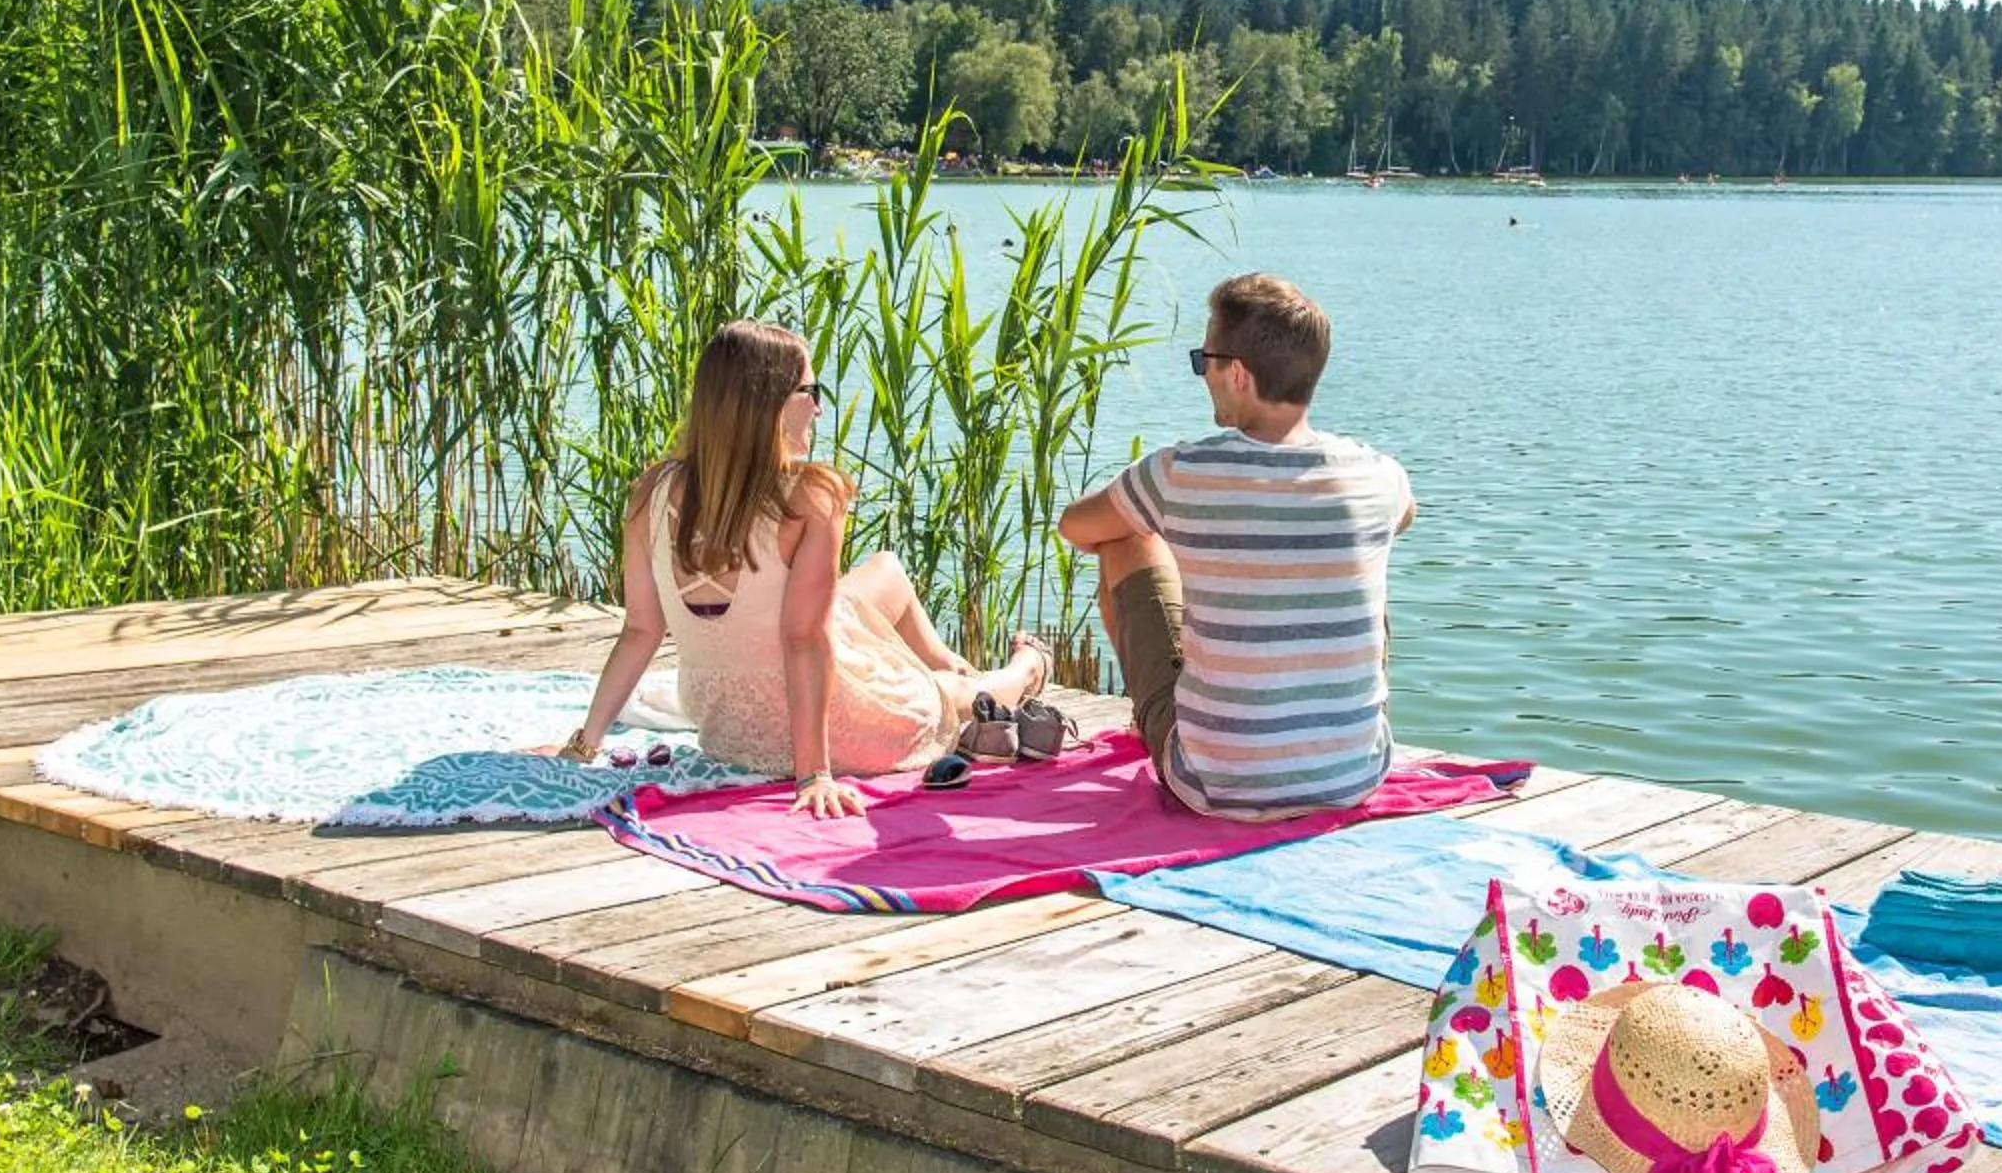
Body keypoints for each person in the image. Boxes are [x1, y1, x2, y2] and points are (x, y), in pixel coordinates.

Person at [553, 321, 1048, 817]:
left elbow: (640, 630)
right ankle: (1026, 667)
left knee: (886, 568)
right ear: (767, 402)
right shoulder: (811, 495)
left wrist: (584, 744)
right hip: (831, 728)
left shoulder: (652, 491)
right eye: (810, 392)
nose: (818, 408)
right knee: (948, 697)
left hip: (725, 728)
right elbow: (803, 639)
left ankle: (948, 661)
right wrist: (814, 775)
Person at [1058, 274, 1414, 819]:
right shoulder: (1379, 475)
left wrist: (1190, 539)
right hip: (1352, 776)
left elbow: (1076, 527)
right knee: (1357, 557)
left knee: (1123, 535)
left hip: (1214, 781)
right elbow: (1405, 518)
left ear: (1238, 374)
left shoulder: (1178, 472)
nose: (1203, 375)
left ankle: (1155, 717)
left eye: (1204, 360)